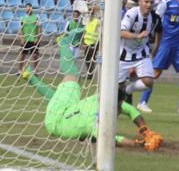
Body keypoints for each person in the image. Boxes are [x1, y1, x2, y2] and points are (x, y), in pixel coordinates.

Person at [21, 33, 163, 151]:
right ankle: (63, 42)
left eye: (120, 106)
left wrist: (145, 131)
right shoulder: (92, 120)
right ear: (110, 104)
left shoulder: (104, 100)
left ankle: (31, 77)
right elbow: (111, 139)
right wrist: (141, 144)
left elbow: (131, 110)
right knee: (73, 76)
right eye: (118, 106)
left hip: (64, 113)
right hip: (57, 120)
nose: (120, 110)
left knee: (68, 86)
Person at [119, 0, 161, 104]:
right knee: (118, 89)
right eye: (146, 2)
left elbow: (160, 31)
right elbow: (121, 32)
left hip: (141, 53)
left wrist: (157, 46)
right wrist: (137, 36)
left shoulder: (155, 18)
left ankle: (128, 90)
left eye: (151, 2)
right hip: (123, 54)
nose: (149, 5)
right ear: (139, 2)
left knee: (148, 82)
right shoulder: (132, 14)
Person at [17, 4, 40, 74]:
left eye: (29, 8)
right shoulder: (22, 18)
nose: (28, 9)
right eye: (27, 8)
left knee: (35, 55)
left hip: (33, 39)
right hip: (25, 39)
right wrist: (22, 38)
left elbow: (39, 27)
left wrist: (37, 37)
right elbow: (20, 28)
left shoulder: (36, 17)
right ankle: (19, 70)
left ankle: (35, 71)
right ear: (25, 9)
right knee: (22, 55)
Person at [82, 5, 101, 79]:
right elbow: (86, 32)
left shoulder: (97, 21)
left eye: (91, 12)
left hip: (94, 43)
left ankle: (90, 75)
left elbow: (99, 32)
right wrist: (84, 42)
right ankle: (89, 72)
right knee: (87, 59)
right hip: (87, 42)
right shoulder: (87, 22)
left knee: (91, 58)